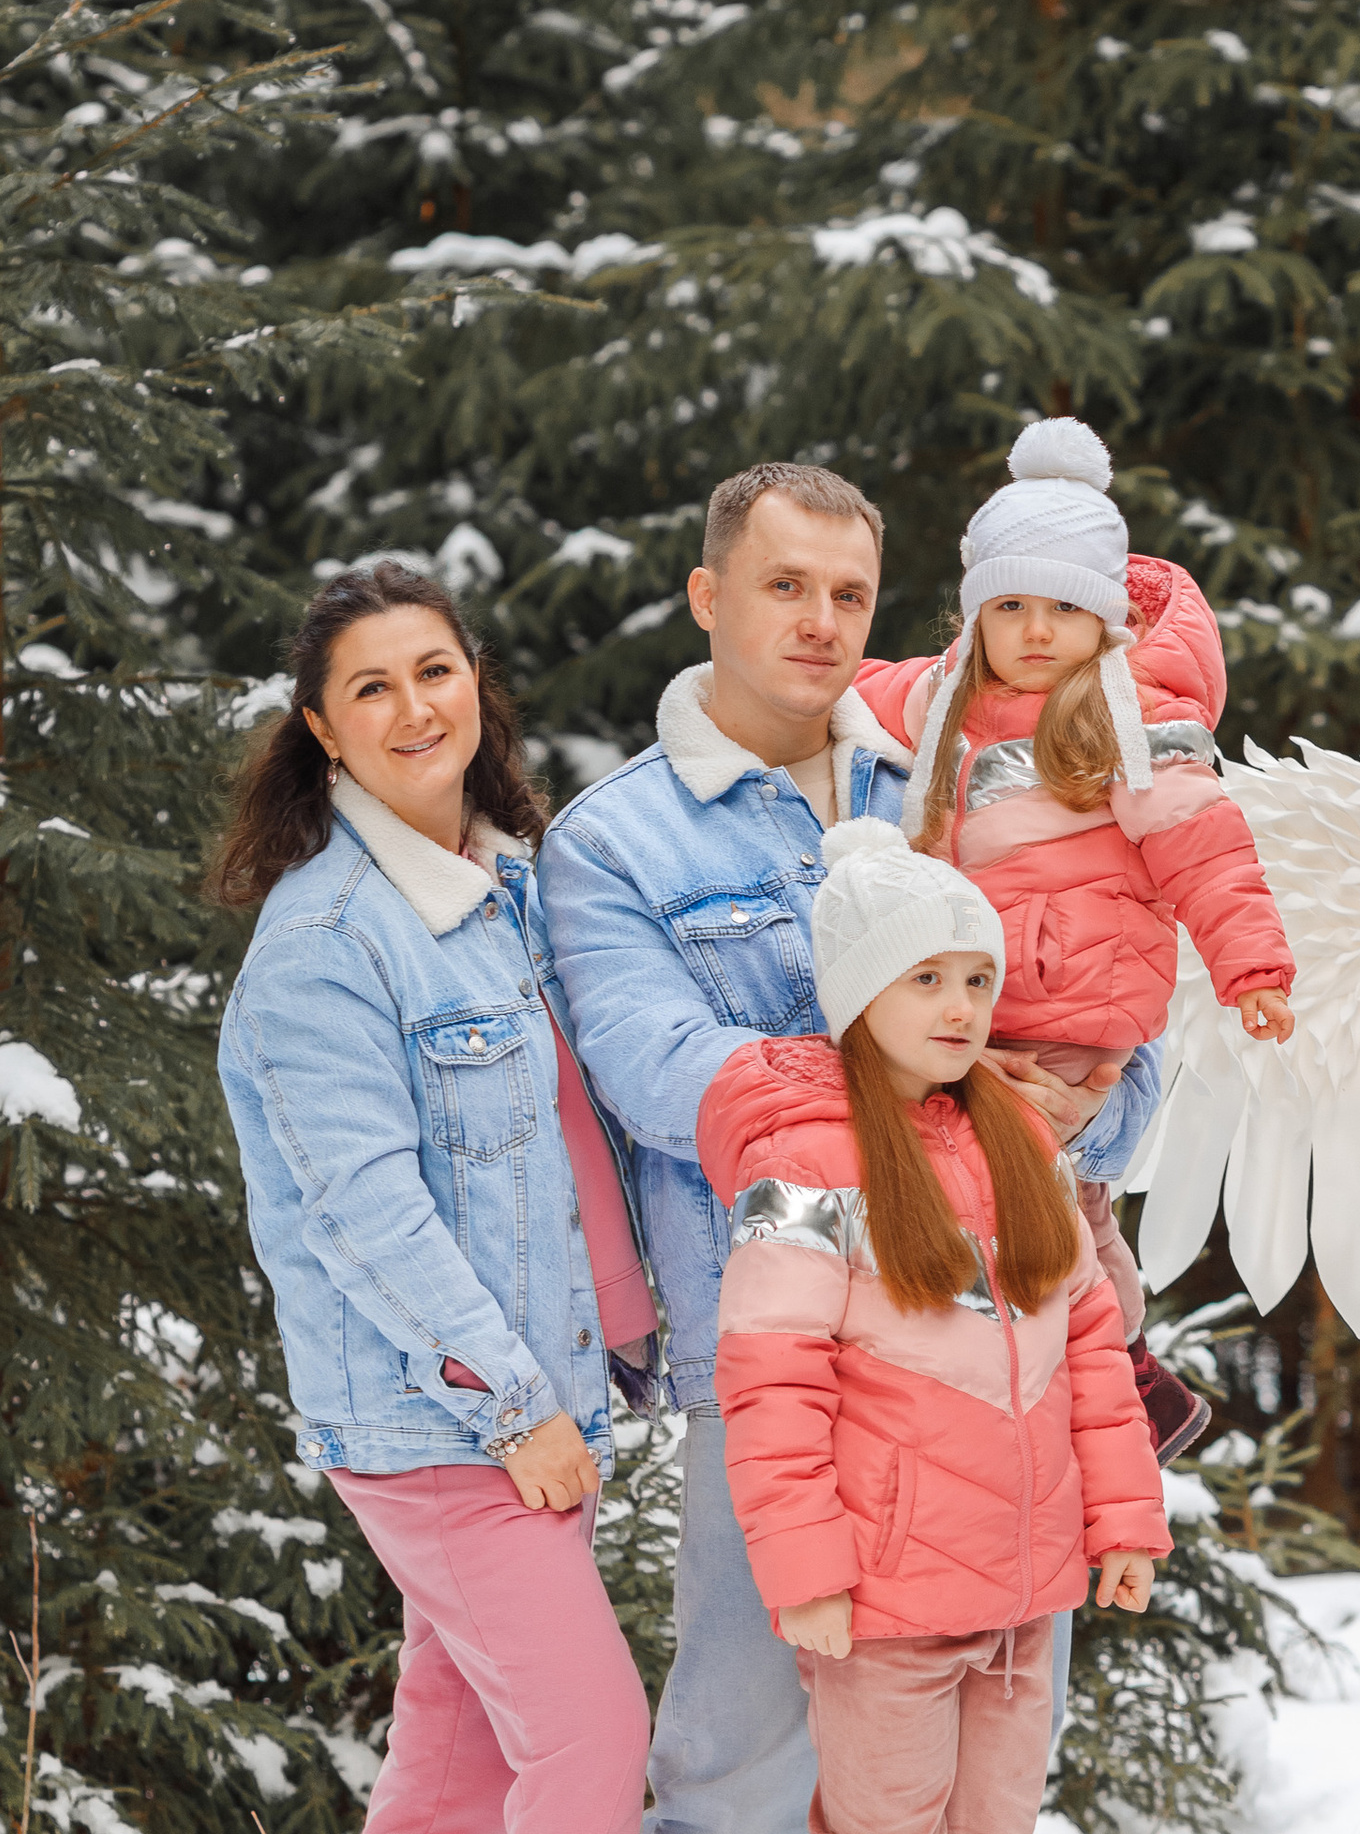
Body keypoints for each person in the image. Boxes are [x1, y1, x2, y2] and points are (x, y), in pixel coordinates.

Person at [542, 464, 1164, 1834]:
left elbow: (1123, 1017)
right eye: (783, 586)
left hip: (1003, 1363)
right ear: (708, 597)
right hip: (786, 1366)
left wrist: (1072, 1100)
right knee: (745, 1763)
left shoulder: (970, 779)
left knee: (989, 1766)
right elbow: (665, 1076)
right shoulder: (615, 845)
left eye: (850, 594)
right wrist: (943, 1079)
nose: (821, 620)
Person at [212, 561, 654, 1833]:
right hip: (445, 1423)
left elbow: (570, 1139)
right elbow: (367, 1217)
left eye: (434, 670)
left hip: (532, 1393)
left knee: (454, 1769)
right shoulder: (328, 942)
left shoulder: (506, 889)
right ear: (320, 725)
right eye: (371, 685)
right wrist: (516, 1411)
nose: (413, 707)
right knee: (591, 1740)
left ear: (475, 685)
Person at [705, 820, 1169, 1834]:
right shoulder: (805, 1161)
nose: (959, 1007)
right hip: (888, 1606)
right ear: (858, 992)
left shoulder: (1021, 1139)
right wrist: (808, 1573)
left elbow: (1089, 1346)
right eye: (924, 979)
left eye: (975, 979)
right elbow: (770, 1382)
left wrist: (1124, 1516)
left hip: (1022, 1599)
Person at [853, 419, 1297, 1460]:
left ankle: (1104, 1376)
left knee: (1039, 1196)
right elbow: (854, 692)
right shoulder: (949, 699)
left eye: (1064, 606)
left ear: (1105, 617)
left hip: (1077, 1010)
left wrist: (1253, 967)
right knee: (1066, 1209)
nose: (1037, 628)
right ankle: (1129, 1375)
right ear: (977, 616)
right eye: (1011, 605)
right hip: (981, 1014)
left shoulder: (1126, 715)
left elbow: (1205, 848)